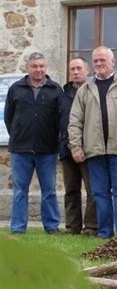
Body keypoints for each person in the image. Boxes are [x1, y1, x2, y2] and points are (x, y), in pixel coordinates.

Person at [68, 46, 117, 239]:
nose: (99, 64)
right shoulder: (85, 89)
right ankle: (105, 233)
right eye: (96, 61)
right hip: (94, 151)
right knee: (99, 194)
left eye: (102, 60)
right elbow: (74, 121)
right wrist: (75, 146)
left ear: (113, 62)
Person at [4, 52, 62, 234]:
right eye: (34, 66)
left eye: (42, 66)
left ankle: (52, 227)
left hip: (47, 149)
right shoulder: (16, 89)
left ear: (46, 67)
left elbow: (60, 118)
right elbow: (9, 118)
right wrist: (18, 135)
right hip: (21, 149)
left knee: (49, 190)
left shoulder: (55, 89)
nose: (39, 69)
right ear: (27, 68)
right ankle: (18, 228)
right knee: (20, 191)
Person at [59, 57, 97, 236]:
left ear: (87, 70)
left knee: (92, 190)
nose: (75, 72)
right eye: (72, 69)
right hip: (67, 149)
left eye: (79, 68)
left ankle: (90, 226)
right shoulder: (63, 94)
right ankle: (72, 226)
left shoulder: (94, 90)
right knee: (71, 190)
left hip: (89, 149)